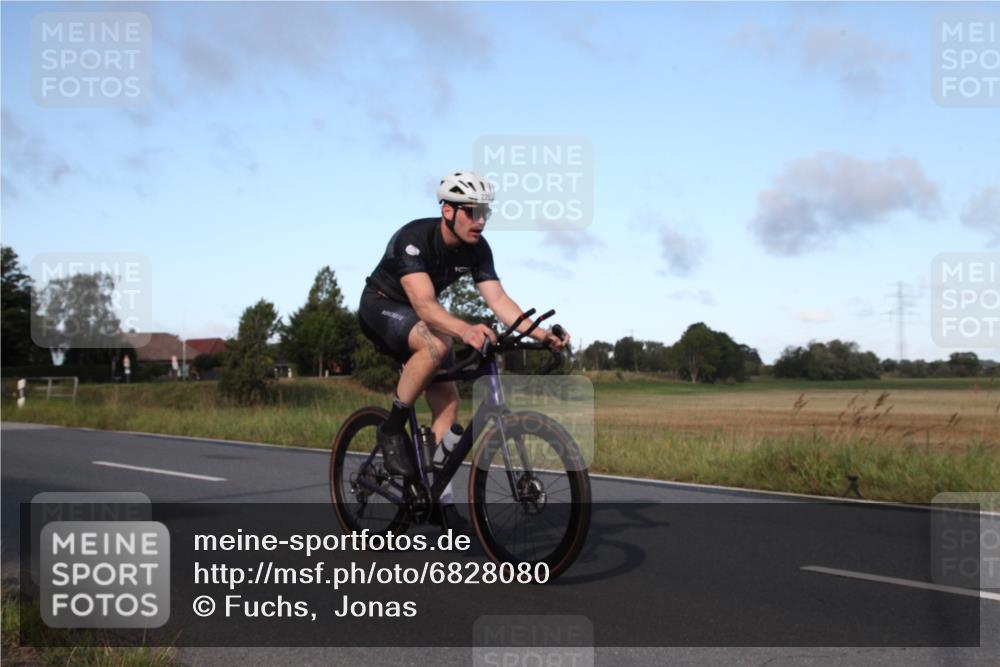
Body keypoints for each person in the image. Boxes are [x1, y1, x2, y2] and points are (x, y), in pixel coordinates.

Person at [358, 170, 570, 528]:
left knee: (450, 405)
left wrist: (540, 334)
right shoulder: (413, 239)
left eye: (485, 212)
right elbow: (425, 305)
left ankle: (437, 497)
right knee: (437, 343)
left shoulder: (477, 249)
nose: (481, 221)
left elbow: (498, 299)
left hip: (419, 316)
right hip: (381, 307)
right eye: (472, 212)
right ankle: (392, 429)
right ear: (448, 211)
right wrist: (464, 329)